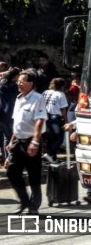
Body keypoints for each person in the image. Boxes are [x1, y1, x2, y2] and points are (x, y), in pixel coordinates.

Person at [5, 70, 47, 215]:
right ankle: (24, 201)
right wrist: (11, 142)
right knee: (12, 172)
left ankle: (34, 206)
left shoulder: (37, 98)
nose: (19, 84)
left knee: (33, 175)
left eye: (22, 81)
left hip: (31, 140)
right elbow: (17, 123)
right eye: (18, 81)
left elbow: (39, 120)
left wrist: (35, 141)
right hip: (18, 140)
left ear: (30, 84)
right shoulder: (18, 98)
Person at [42, 78, 68, 163]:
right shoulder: (61, 94)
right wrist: (66, 121)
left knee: (51, 138)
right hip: (55, 117)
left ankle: (53, 158)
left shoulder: (45, 92)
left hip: (45, 116)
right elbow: (63, 110)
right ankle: (49, 154)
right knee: (59, 139)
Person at [0, 67, 20, 163]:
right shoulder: (15, 87)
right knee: (14, 137)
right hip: (12, 114)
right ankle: (12, 158)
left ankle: (7, 158)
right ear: (16, 76)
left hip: (2, 114)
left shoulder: (2, 84)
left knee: (6, 137)